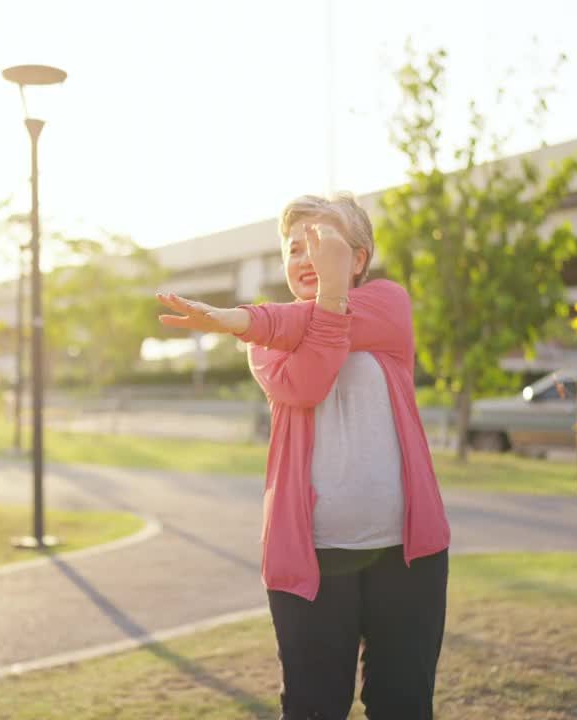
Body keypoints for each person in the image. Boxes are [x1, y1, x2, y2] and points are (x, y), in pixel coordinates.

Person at [158, 193, 451, 720]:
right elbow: (311, 380)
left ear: (359, 258)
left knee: (403, 704)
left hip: (408, 557)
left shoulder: (387, 303)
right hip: (312, 559)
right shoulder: (266, 342)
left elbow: (300, 323)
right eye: (295, 249)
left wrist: (240, 318)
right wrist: (262, 321)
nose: (306, 259)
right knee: (314, 708)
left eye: (322, 245)